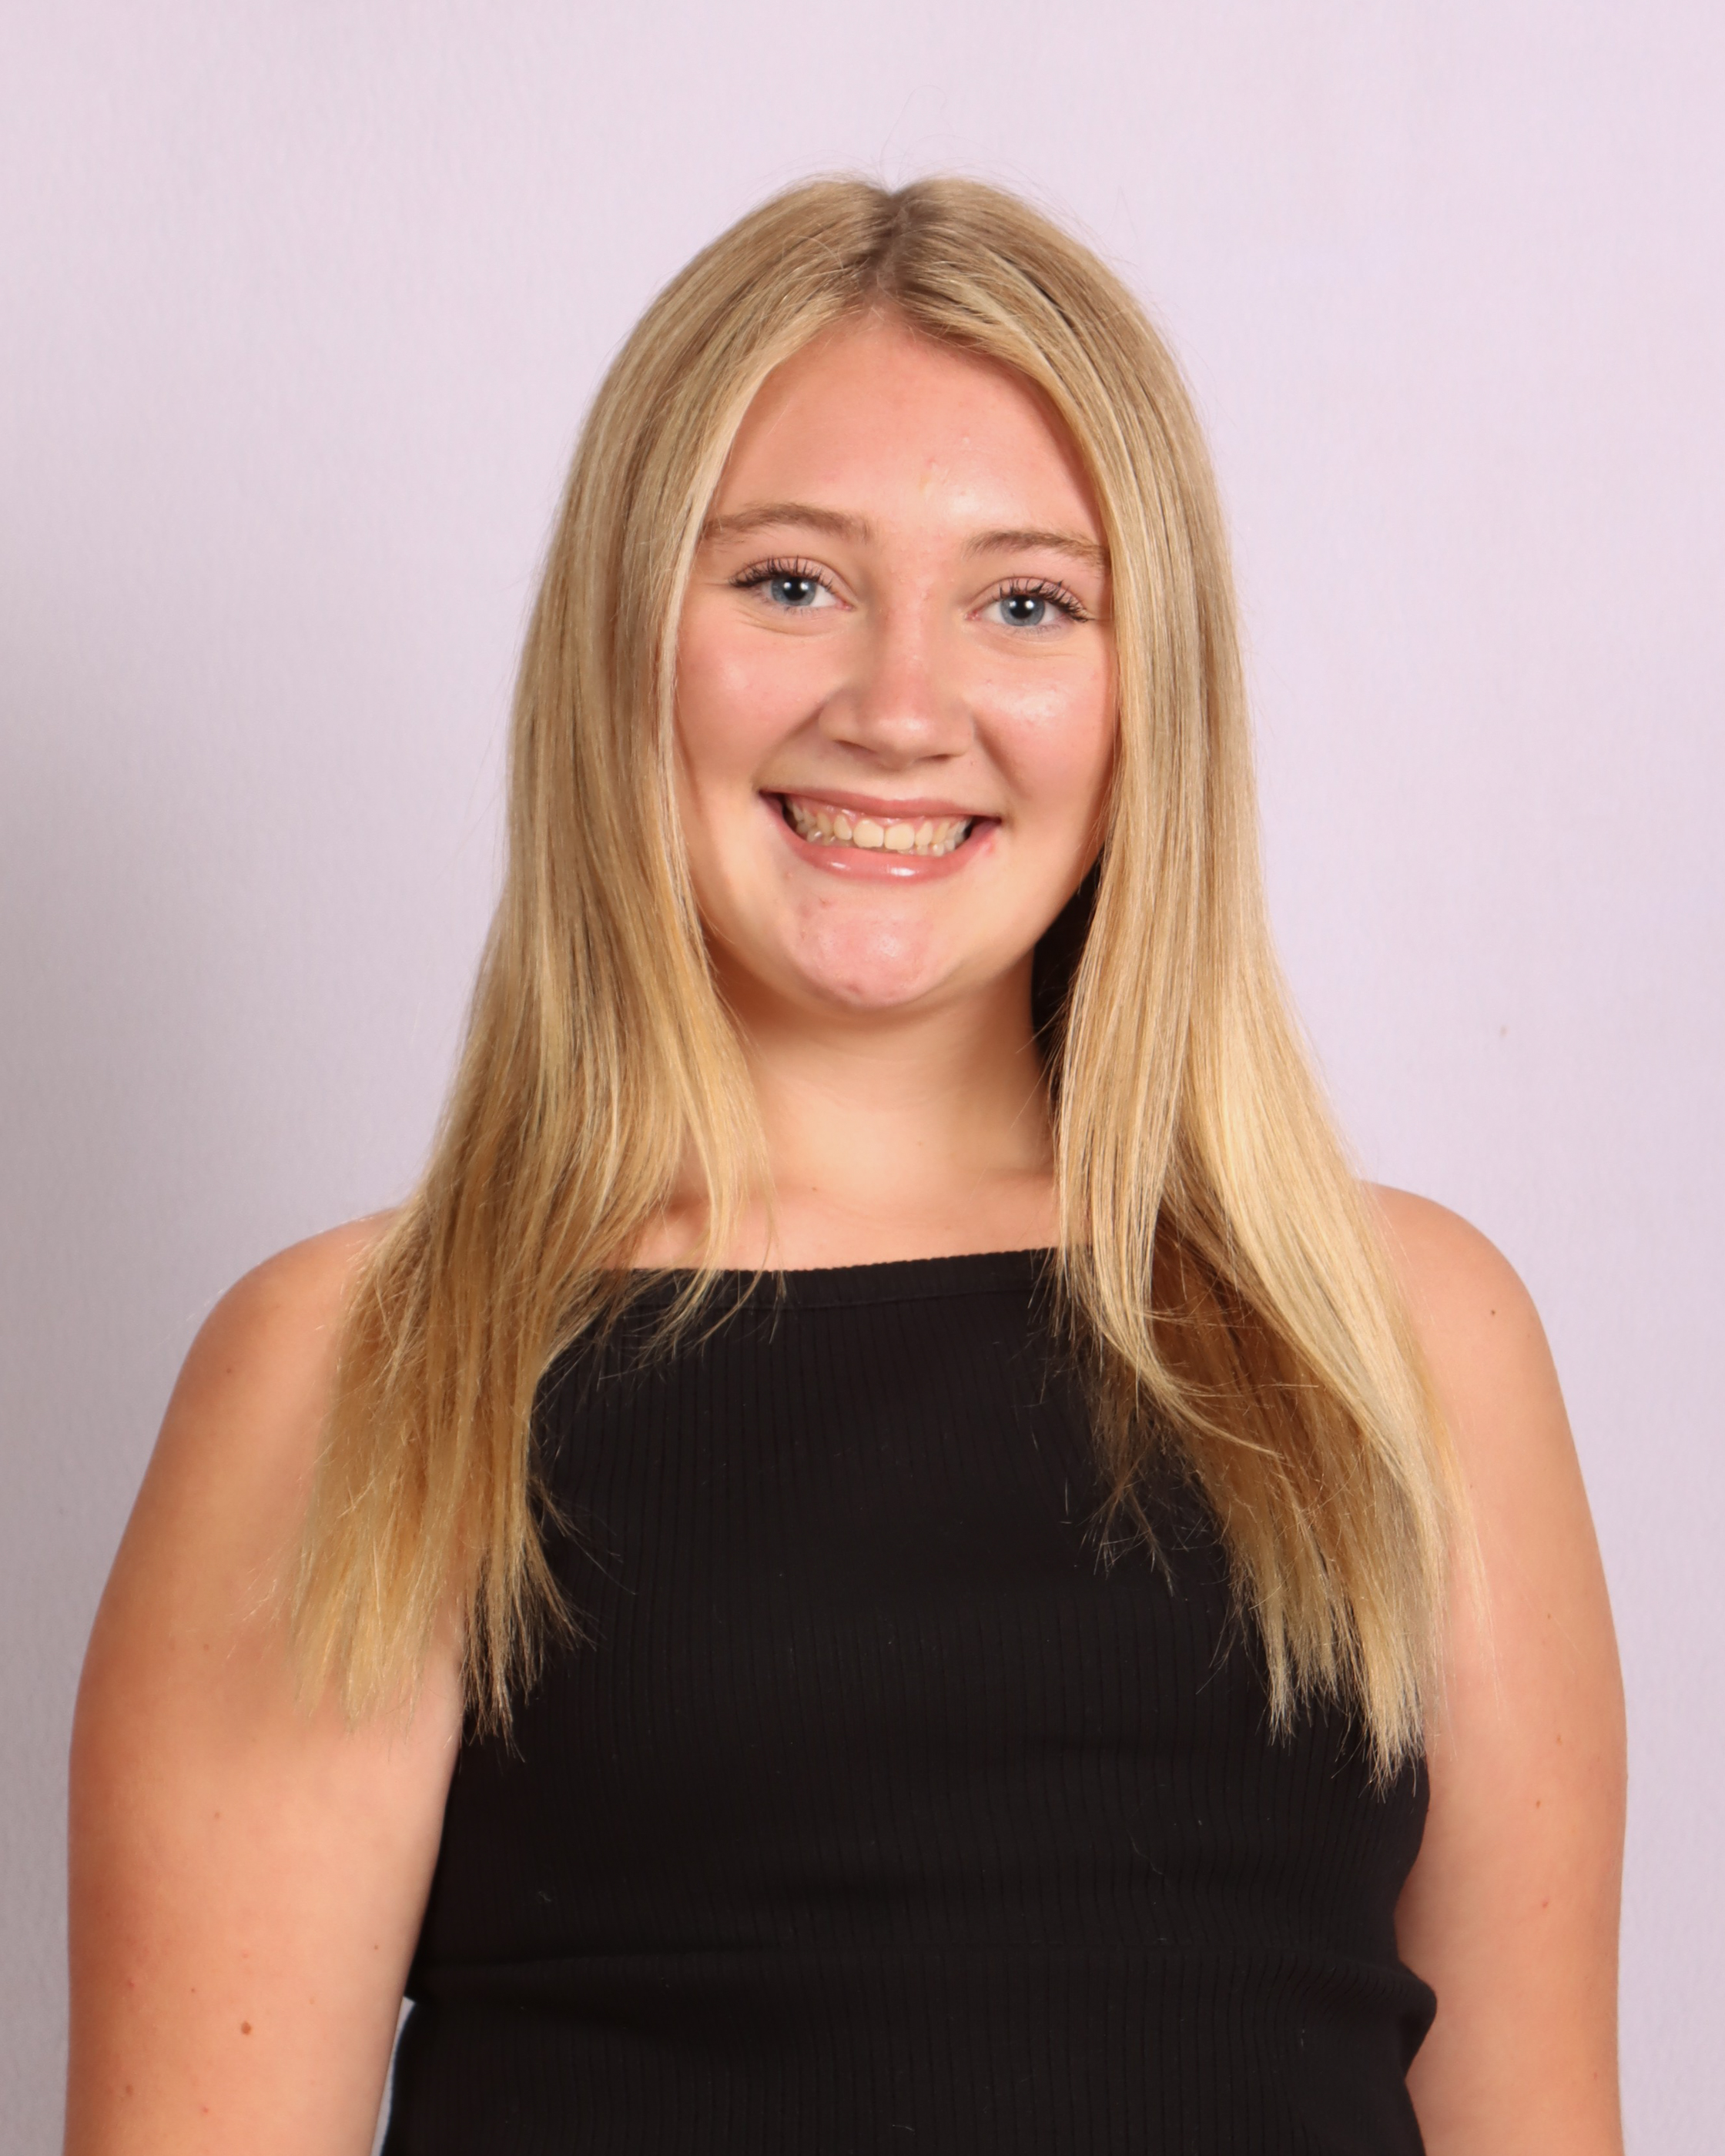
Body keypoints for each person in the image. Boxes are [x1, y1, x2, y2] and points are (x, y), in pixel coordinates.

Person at [65, 178, 1625, 2154]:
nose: (898, 711)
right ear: (628, 636)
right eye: (791, 582)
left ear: (1151, 693)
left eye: (1026, 603)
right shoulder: (363, 1370)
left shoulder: (1400, 1336)